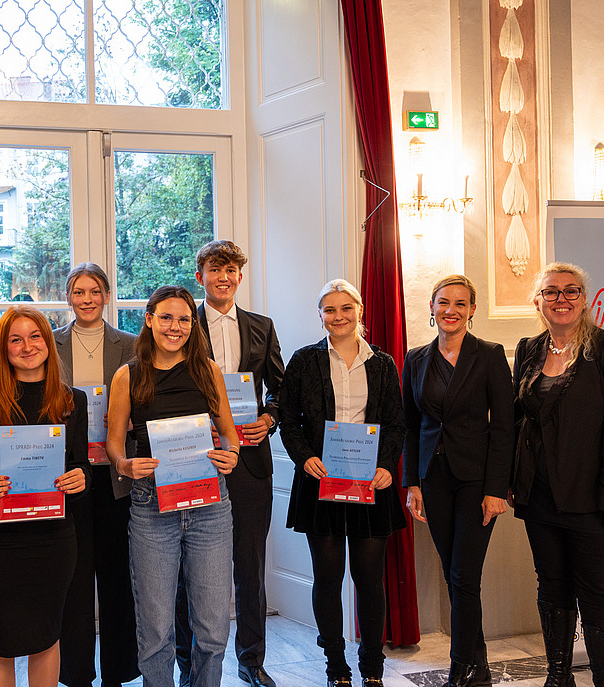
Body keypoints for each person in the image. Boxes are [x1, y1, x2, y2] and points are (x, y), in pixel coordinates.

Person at [107, 285, 240, 687]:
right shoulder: (127, 375)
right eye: (166, 317)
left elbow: (229, 435)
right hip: (151, 507)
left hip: (210, 506)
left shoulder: (208, 370)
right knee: (156, 630)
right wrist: (125, 464)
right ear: (149, 319)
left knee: (214, 629)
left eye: (184, 319)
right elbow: (114, 442)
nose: (175, 326)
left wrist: (230, 455)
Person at [279, 279, 406, 687]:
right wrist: (305, 458)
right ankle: (336, 667)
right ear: (320, 316)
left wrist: (387, 465)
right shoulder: (303, 361)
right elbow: (288, 419)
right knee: (328, 578)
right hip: (321, 483)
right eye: (329, 310)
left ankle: (371, 667)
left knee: (370, 579)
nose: (338, 316)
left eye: (346, 308)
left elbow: (396, 423)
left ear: (360, 311)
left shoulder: (383, 363)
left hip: (372, 483)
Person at [0, 305, 90, 687]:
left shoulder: (72, 401)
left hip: (52, 539)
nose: (27, 346)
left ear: (48, 343)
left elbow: (81, 465)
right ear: (3, 348)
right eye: (16, 339)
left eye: (35, 336)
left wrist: (79, 478)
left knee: (47, 636)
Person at [176, 240, 284, 687]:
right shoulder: (180, 324)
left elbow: (280, 389)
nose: (224, 277)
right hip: (194, 458)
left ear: (240, 277)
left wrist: (268, 418)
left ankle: (252, 660)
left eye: (232, 270)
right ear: (200, 276)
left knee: (249, 566)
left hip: (250, 464)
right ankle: (189, 665)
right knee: (187, 569)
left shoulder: (262, 326)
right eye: (215, 269)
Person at [401, 274, 513, 687]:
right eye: (443, 302)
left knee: (465, 576)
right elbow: (410, 427)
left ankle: (459, 669)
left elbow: (504, 427)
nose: (451, 310)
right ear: (431, 308)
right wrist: (411, 482)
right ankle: (478, 665)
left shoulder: (489, 355)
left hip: (476, 482)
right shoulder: (415, 359)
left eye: (460, 304)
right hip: (433, 479)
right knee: (455, 575)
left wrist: (495, 490)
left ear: (472, 310)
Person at [513, 262, 604, 687]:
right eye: (551, 292)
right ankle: (558, 676)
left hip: (591, 496)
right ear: (538, 301)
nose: (561, 299)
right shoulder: (528, 348)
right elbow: (518, 421)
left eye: (571, 291)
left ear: (585, 300)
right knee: (551, 585)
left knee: (597, 593)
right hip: (538, 494)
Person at [54, 263, 140, 687]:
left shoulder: (131, 344)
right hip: (67, 477)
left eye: (94, 291)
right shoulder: (48, 344)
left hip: (115, 476)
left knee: (117, 576)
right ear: (69, 297)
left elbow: (140, 405)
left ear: (106, 295)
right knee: (73, 579)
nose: (86, 299)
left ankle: (118, 673)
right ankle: (77, 674)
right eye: (78, 292)